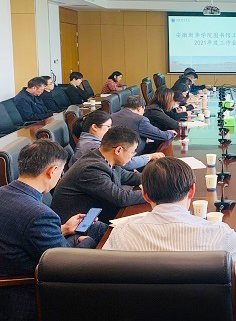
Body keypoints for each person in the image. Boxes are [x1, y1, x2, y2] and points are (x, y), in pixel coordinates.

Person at [0, 140, 107, 321]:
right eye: (61, 171)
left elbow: (19, 232)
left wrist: (64, 229)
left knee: (94, 228)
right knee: (95, 236)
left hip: (13, 265)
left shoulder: (4, 192)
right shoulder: (39, 214)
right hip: (26, 291)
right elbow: (64, 266)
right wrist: (87, 242)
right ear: (52, 171)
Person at [103, 157, 236, 277]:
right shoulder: (219, 233)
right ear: (192, 191)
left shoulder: (122, 233)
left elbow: (105, 275)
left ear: (145, 195)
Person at [51, 126, 146, 224]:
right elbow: (120, 198)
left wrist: (155, 179)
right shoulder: (92, 168)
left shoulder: (104, 159)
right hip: (78, 225)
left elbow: (130, 177)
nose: (132, 156)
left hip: (96, 216)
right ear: (118, 150)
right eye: (132, 152)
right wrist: (153, 193)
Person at [69, 110, 163, 170]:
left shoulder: (89, 141)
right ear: (94, 127)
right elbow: (126, 163)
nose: (110, 130)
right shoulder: (92, 146)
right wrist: (150, 156)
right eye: (108, 126)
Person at [110, 95, 177, 154]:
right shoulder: (140, 120)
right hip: (133, 155)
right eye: (143, 110)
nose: (143, 113)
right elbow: (163, 136)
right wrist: (170, 133)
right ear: (139, 108)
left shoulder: (112, 116)